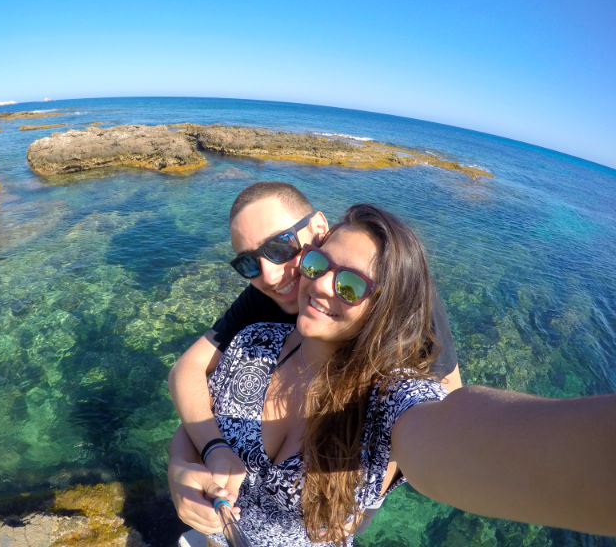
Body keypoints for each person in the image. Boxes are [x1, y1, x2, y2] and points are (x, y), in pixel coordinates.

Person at [168, 204, 616, 545]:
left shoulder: (385, 401)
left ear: (384, 308)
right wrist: (185, 466)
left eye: (351, 285)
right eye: (318, 265)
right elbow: (201, 406)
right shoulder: (253, 343)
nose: (322, 285)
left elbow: (453, 430)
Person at [168, 182, 461, 506]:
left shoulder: (411, 305)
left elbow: (447, 409)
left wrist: (372, 492)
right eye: (248, 264)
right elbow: (189, 370)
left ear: (319, 228)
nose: (270, 275)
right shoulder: (267, 303)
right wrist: (197, 456)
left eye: (279, 247)